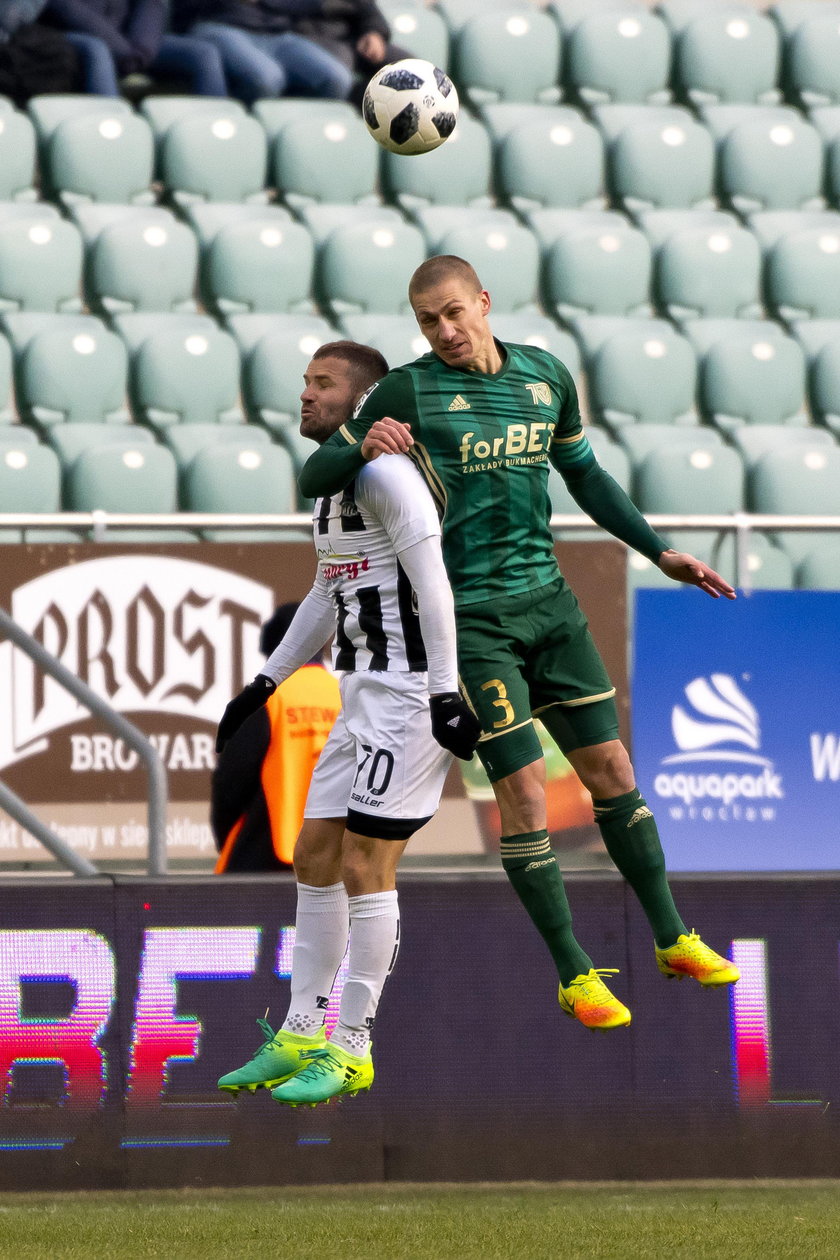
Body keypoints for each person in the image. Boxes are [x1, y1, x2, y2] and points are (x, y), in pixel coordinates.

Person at [298, 255, 741, 1033]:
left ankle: (673, 937)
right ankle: (575, 975)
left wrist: (658, 550)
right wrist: (363, 446)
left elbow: (587, 474)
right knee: (527, 791)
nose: (445, 331)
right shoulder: (406, 389)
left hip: (552, 606)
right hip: (473, 623)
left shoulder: (545, 376)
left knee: (612, 770)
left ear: (483, 304)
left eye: (454, 313)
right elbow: (316, 471)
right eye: (428, 321)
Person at [215, 341, 479, 1105]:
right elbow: (330, 593)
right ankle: (301, 1030)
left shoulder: (389, 476)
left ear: (361, 404)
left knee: (368, 865)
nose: (305, 396)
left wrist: (442, 692)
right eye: (304, 382)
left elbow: (434, 588)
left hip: (406, 694)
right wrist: (266, 681)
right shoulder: (336, 489)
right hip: (357, 690)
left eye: (322, 385)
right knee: (312, 852)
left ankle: (353, 1043)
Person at [212, 602, 341, 873]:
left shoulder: (269, 698)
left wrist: (230, 840)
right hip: (336, 856)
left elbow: (231, 782)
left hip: (267, 857)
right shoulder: (345, 696)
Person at [171, 0, 353, 104]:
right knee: (267, 79)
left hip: (277, 34)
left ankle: (293, 142)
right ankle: (242, 138)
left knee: (336, 79)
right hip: (220, 27)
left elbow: (310, 4)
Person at [43, 0, 228, 96]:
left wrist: (142, 48)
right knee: (98, 50)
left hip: (129, 42)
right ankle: (114, 136)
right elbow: (64, 7)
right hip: (70, 36)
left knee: (204, 54)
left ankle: (213, 137)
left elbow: (151, 5)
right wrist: (119, 47)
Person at [288, 0, 410, 107]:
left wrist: (373, 32)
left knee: (407, 67)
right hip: (306, 43)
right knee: (339, 73)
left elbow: (369, 11)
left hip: (353, 40)